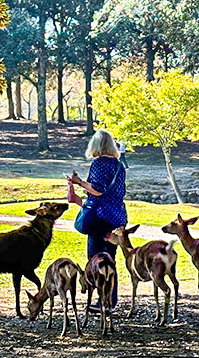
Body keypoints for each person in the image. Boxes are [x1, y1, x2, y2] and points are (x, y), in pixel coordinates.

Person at [67, 129, 126, 311]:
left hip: (100, 217)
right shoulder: (119, 165)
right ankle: (111, 300)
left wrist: (79, 183)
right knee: (111, 259)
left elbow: (98, 190)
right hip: (116, 216)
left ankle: (102, 301)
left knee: (97, 259)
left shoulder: (99, 163)